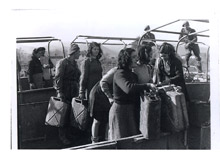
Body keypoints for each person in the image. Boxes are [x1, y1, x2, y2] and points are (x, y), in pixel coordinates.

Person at [108, 48, 156, 140]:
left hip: (130, 110)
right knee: (121, 141)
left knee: (131, 141)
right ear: (126, 59)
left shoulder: (132, 74)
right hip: (120, 112)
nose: (137, 59)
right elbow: (128, 88)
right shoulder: (119, 74)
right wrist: (147, 85)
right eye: (133, 57)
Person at [54, 43, 81, 145]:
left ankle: (69, 134)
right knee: (62, 114)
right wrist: (59, 91)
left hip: (73, 90)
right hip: (64, 90)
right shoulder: (62, 63)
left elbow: (78, 76)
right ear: (74, 52)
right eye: (78, 52)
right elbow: (58, 78)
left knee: (71, 113)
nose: (79, 54)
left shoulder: (74, 63)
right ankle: (62, 136)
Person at [89, 67, 117, 143]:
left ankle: (107, 139)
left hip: (108, 95)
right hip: (98, 94)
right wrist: (110, 97)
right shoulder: (116, 70)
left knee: (109, 118)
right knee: (97, 120)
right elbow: (103, 83)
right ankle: (94, 141)